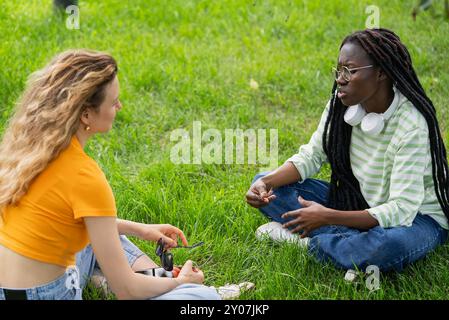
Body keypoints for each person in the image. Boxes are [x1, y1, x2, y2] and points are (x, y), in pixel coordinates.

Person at [0, 49, 220, 300]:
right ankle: (168, 282)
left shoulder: (24, 150)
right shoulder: (85, 177)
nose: (119, 106)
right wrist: (180, 281)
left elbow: (67, 222)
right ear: (85, 114)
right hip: (48, 294)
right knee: (201, 298)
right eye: (113, 101)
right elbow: (126, 290)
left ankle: (137, 275)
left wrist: (141, 229)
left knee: (100, 231)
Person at [246, 28, 449, 273]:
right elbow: (312, 155)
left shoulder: (412, 126)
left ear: (381, 72)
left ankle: (309, 242)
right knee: (270, 187)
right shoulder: (342, 103)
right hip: (360, 200)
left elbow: (402, 209)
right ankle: (349, 245)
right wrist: (266, 183)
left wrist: (328, 216)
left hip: (418, 217)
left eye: (349, 71)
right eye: (338, 70)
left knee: (387, 247)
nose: (340, 79)